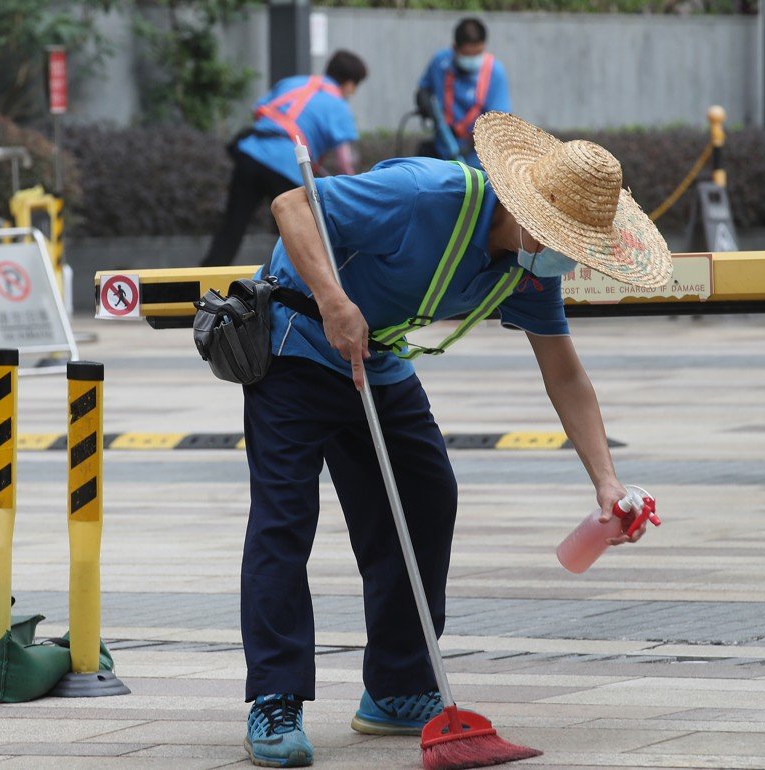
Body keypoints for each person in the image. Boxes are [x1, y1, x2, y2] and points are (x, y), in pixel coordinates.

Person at [238, 113, 672, 767]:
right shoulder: (422, 195)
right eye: (562, 238)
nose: (564, 254)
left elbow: (565, 372)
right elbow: (292, 204)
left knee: (427, 494)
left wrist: (606, 482)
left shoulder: (528, 269)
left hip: (377, 358)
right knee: (285, 520)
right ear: (526, 211)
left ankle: (397, 686)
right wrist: (332, 299)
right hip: (298, 342)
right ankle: (275, 699)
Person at [202, 50, 367, 268]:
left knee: (233, 226)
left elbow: (259, 111)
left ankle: (206, 283)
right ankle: (285, 287)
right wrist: (353, 189)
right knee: (295, 235)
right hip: (287, 166)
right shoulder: (339, 106)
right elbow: (344, 160)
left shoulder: (292, 82)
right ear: (349, 84)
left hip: (251, 153)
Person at [416, 18, 510, 168]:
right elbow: (424, 89)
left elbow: (497, 123)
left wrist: (471, 144)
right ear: (455, 48)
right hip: (441, 153)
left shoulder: (495, 73)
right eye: (467, 54)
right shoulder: (440, 63)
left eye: (478, 53)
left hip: (477, 161)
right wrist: (424, 102)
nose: (473, 58)